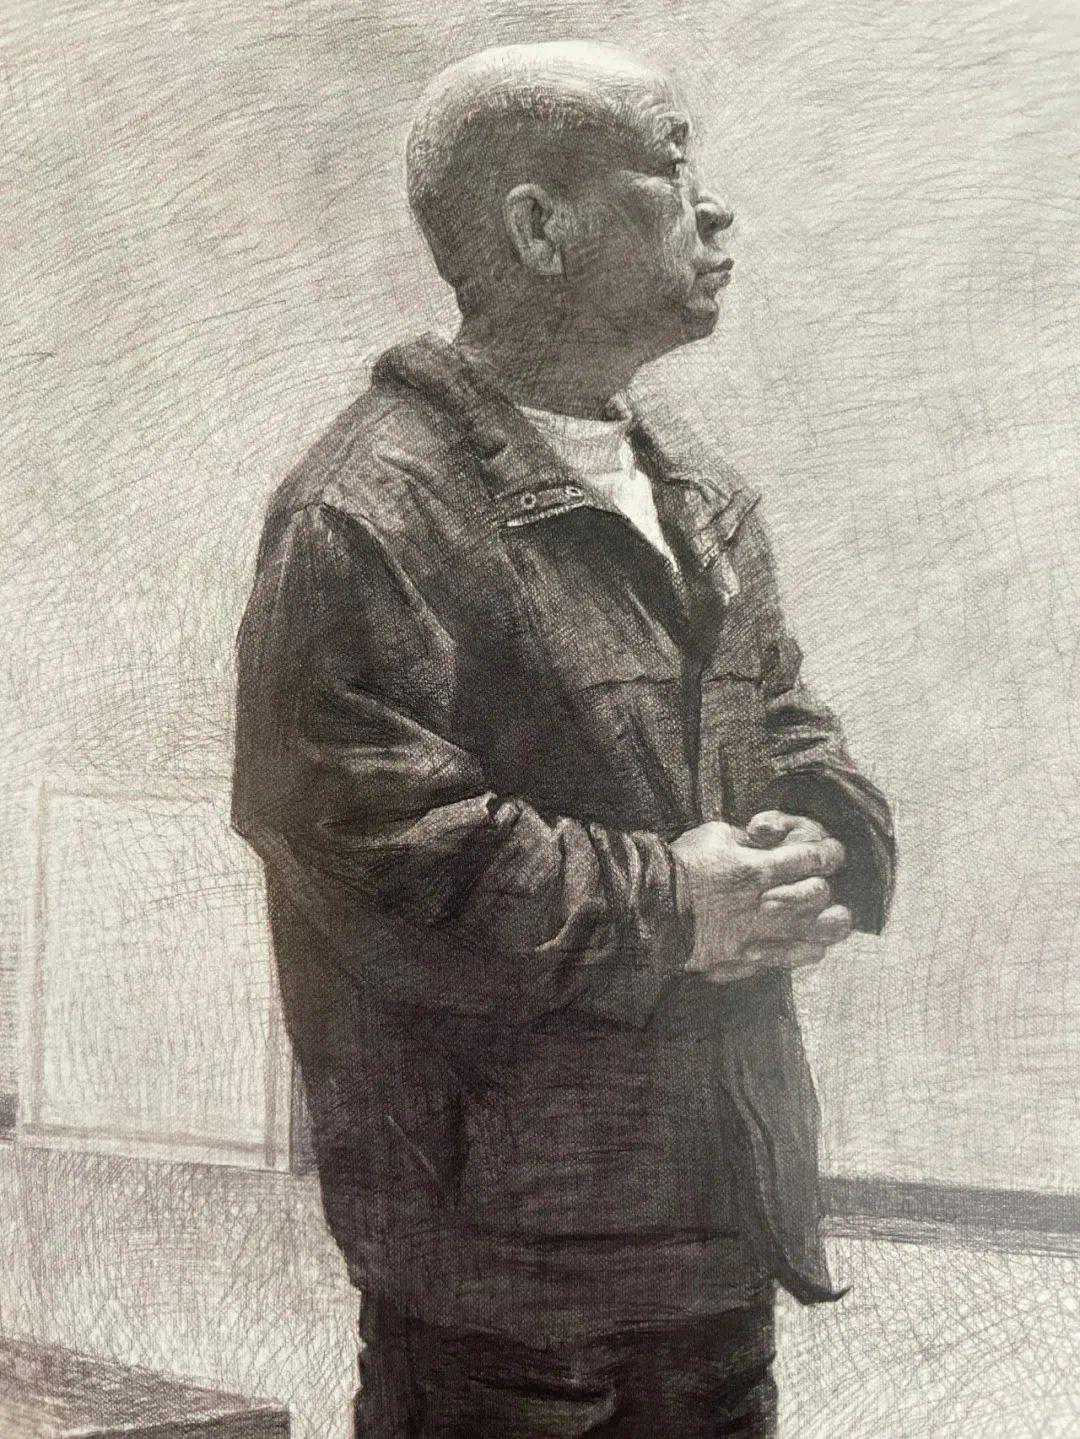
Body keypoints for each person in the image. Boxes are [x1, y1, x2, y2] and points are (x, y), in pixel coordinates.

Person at [232, 40, 896, 1438]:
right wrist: (677, 905)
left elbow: (788, 723)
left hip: (718, 1216)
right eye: (670, 165)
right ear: (539, 228)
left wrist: (826, 836)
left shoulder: (701, 492)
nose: (715, 207)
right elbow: (381, 853)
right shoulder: (363, 511)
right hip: (499, 1268)